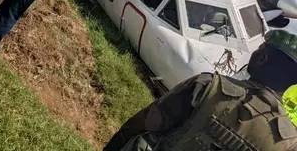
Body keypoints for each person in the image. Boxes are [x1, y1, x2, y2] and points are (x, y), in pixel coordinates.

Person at [104, 29, 297, 151]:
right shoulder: (290, 142)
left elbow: (143, 124)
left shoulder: (208, 86)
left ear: (262, 58)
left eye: (260, 48)